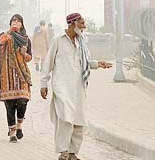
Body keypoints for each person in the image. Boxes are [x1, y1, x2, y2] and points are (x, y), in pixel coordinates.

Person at [40, 12, 112, 160]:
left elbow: (85, 62)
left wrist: (99, 64)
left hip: (78, 87)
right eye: (82, 23)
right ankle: (63, 151)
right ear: (73, 23)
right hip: (61, 87)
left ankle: (73, 153)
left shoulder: (81, 43)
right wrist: (43, 84)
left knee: (79, 120)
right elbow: (47, 63)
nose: (84, 26)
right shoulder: (58, 40)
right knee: (65, 118)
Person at [0, 14, 33, 143]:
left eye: (18, 21)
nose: (16, 22)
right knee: (10, 104)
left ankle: (19, 126)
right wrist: (9, 32)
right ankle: (12, 133)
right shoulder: (6, 35)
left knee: (23, 101)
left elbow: (29, 58)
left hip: (21, 74)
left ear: (22, 24)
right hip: (8, 74)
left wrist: (24, 53)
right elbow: (0, 42)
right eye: (13, 21)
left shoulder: (26, 39)